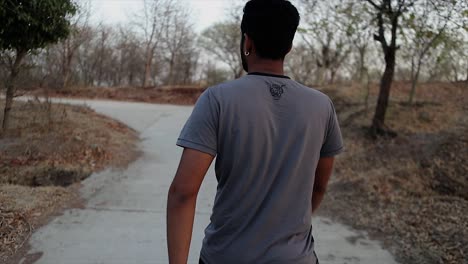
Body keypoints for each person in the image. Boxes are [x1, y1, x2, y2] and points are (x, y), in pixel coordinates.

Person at [166, 0, 343, 263]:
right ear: (289, 46)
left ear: (247, 43)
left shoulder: (217, 100)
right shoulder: (321, 106)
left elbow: (183, 192)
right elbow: (318, 187)